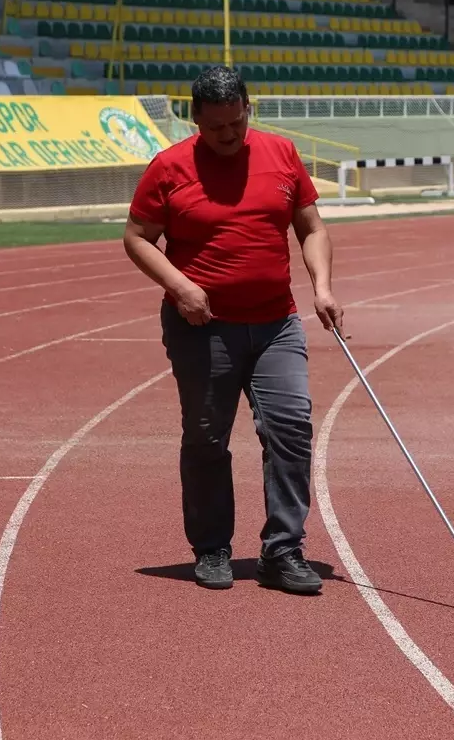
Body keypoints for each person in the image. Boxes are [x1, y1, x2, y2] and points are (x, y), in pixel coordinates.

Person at [122, 66, 343, 594]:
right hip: (204, 327)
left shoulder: (282, 154)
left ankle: (283, 550)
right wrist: (180, 287)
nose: (228, 136)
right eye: (216, 127)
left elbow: (311, 227)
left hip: (276, 322)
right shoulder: (169, 167)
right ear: (195, 118)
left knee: (290, 429)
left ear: (249, 108)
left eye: (236, 124)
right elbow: (136, 238)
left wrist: (324, 287)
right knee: (206, 438)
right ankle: (213, 548)